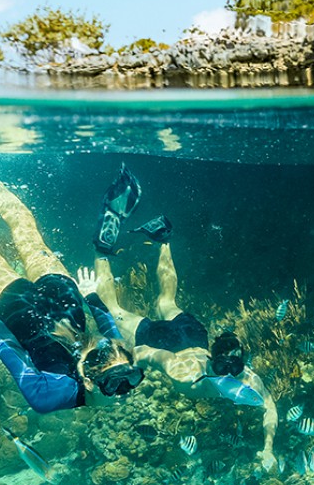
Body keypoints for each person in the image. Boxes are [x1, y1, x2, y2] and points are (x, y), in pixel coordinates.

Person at [0, 154, 144, 413]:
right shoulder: (49, 397)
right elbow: (12, 352)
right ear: (88, 383)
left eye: (123, 385)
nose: (125, 394)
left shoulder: (49, 397)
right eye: (122, 383)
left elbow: (13, 355)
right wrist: (91, 297)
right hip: (45, 303)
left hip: (39, 305)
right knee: (18, 242)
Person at [90, 166, 280, 469]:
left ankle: (164, 239)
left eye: (234, 366)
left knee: (166, 300)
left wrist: (268, 447)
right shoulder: (184, 373)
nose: (229, 374)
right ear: (211, 362)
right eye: (223, 367)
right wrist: (120, 372)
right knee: (116, 311)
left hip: (194, 334)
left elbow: (270, 406)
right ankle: (103, 250)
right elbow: (144, 353)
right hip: (171, 341)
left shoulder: (246, 377)